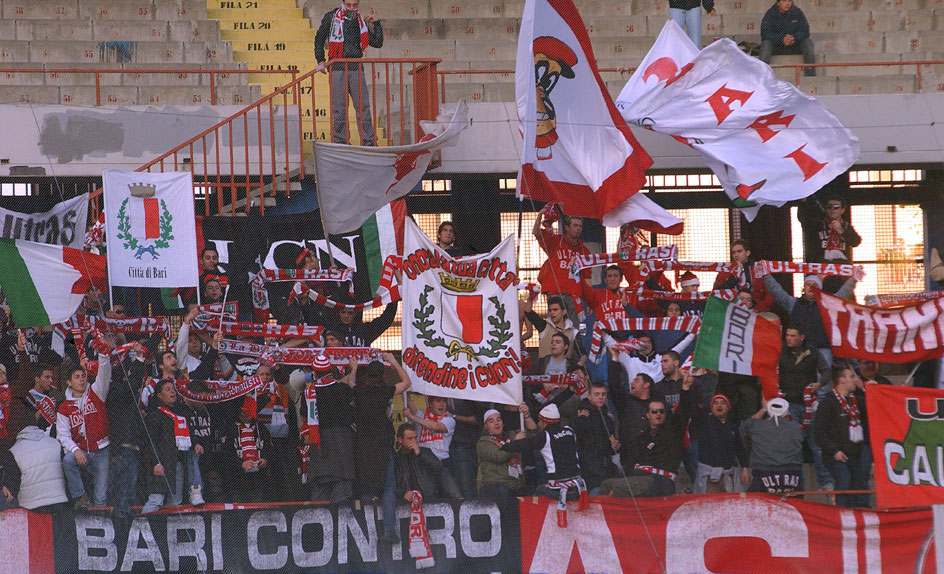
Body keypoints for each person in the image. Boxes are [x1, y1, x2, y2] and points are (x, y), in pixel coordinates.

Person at [762, 271, 857, 389]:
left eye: (815, 285)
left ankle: (822, 405)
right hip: (800, 351)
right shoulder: (794, 304)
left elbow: (844, 292)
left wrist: (854, 278)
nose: (811, 287)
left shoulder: (828, 304)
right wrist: (766, 275)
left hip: (822, 349)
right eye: (808, 284)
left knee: (824, 384)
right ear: (804, 287)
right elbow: (777, 292)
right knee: (801, 383)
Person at [501, 404, 588, 523]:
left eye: (539, 420)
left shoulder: (545, 436)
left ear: (544, 422)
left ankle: (538, 523)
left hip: (559, 487)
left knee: (538, 491)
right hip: (578, 485)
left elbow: (525, 444)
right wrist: (581, 417)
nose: (538, 423)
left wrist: (506, 445)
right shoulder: (569, 430)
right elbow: (577, 424)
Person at [315, 0, 384, 145]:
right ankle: (341, 142)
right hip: (337, 66)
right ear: (342, 3)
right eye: (348, 5)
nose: (351, 8)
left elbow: (377, 42)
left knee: (363, 106)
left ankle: (369, 142)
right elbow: (319, 39)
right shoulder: (331, 17)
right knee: (339, 108)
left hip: (355, 66)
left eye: (355, 5)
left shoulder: (360, 22)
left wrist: (376, 23)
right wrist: (320, 61)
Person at [56, 347, 113, 511]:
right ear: (69, 382)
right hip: (81, 452)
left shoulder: (97, 393)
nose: (81, 380)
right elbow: (63, 435)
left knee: (101, 498)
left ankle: (100, 518)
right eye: (77, 377)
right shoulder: (64, 407)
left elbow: (104, 374)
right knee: (67, 460)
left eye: (83, 376)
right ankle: (81, 497)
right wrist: (75, 450)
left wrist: (103, 354)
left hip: (102, 450)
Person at [617, 376, 692, 497]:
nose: (658, 414)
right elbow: (631, 462)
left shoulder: (672, 434)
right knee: (610, 485)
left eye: (661, 411)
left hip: (663, 484)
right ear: (647, 415)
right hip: (641, 484)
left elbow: (683, 414)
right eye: (654, 412)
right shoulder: (640, 438)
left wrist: (685, 389)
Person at [353, 353, 410, 502]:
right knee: (388, 488)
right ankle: (389, 526)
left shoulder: (358, 391)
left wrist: (353, 368)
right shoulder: (385, 391)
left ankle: (367, 525)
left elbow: (349, 384)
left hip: (364, 447)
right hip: (383, 444)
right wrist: (393, 361)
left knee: (366, 488)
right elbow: (406, 383)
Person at [141, 379, 199, 513]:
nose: (172, 391)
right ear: (159, 396)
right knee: (156, 500)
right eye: (167, 389)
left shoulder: (181, 414)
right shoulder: (155, 415)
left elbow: (189, 434)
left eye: (173, 389)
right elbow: (150, 443)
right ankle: (143, 526)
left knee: (175, 504)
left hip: (177, 464)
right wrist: (155, 463)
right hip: (161, 465)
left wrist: (195, 444)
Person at [815, 366, 868, 507]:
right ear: (842, 380)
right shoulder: (828, 402)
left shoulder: (856, 400)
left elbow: (874, 406)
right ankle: (841, 514)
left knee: (858, 485)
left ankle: (857, 514)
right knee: (844, 481)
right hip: (837, 454)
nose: (856, 380)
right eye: (852, 376)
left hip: (856, 452)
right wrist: (834, 451)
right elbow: (819, 432)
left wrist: (865, 389)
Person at [532, 206, 590, 321]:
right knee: (556, 328)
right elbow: (536, 232)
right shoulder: (555, 241)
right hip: (554, 293)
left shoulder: (584, 251)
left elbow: (587, 279)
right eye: (575, 225)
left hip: (574, 297)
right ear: (567, 227)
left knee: (574, 330)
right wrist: (539, 215)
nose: (578, 229)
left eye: (580, 226)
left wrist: (589, 300)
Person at [741, 398, 804, 494]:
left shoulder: (757, 426)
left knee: (759, 504)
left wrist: (764, 409)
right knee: (793, 506)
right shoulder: (796, 427)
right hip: (793, 473)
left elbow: (744, 428)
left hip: (764, 471)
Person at [690, 393, 746, 493]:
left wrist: (745, 468)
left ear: (728, 407)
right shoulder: (704, 423)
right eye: (715, 403)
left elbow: (739, 448)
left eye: (722, 403)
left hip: (728, 475)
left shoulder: (733, 427)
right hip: (710, 477)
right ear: (711, 408)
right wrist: (686, 390)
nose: (719, 405)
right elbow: (692, 409)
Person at [476, 407, 536, 498]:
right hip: (495, 486)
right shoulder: (483, 442)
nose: (496, 423)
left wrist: (527, 416)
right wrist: (515, 442)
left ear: (503, 423)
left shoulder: (511, 435)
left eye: (499, 420)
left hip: (516, 484)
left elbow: (534, 434)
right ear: (486, 426)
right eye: (491, 421)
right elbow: (499, 456)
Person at [394, 423, 461, 501]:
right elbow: (391, 483)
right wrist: (402, 494)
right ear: (400, 440)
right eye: (410, 438)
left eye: (415, 438)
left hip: (428, 497)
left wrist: (420, 454)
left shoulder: (425, 452)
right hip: (406, 500)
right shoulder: (395, 458)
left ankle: (457, 499)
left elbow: (439, 468)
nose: (414, 441)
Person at [8, 424, 68, 511]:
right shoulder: (55, 443)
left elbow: (14, 481)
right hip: (60, 500)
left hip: (30, 505)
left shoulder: (14, 451)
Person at [573, 382, 620, 493]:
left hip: (606, 466)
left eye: (603, 394)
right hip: (589, 469)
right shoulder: (582, 413)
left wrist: (614, 447)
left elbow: (609, 444)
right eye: (597, 394)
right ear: (589, 396)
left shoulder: (607, 417)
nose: (600, 397)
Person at [759, 0, 815, 77]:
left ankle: (810, 76)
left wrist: (794, 38)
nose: (788, 3)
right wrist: (781, 39)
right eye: (784, 1)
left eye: (789, 1)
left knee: (808, 43)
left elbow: (805, 31)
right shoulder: (770, 14)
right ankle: (761, 76)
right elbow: (765, 34)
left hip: (794, 45)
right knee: (766, 44)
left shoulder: (797, 12)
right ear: (778, 3)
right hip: (777, 47)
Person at [713, 240, 773, 312]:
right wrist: (733, 278)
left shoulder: (759, 268)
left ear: (747, 253)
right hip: (731, 311)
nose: (736, 255)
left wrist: (758, 308)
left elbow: (770, 294)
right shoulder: (725, 270)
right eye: (733, 252)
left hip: (756, 311)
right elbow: (716, 292)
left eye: (739, 251)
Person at [778, 327, 818, 421]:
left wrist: (820, 383)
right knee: (793, 433)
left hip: (808, 401)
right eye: (787, 335)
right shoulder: (780, 351)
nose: (788, 338)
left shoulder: (812, 352)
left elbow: (825, 371)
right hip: (788, 401)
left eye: (792, 336)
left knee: (809, 433)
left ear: (802, 337)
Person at [523, 296, 580, 360]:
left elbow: (583, 354)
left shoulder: (574, 332)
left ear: (564, 312)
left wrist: (579, 365)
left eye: (555, 310)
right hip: (545, 369)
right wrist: (532, 294)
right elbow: (527, 310)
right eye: (550, 310)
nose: (552, 312)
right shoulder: (543, 326)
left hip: (565, 369)